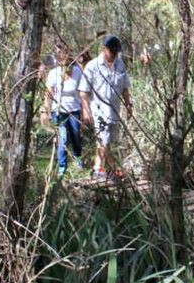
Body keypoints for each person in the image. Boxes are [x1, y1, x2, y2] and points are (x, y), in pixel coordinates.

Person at [79, 35, 133, 180]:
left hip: (114, 110)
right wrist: (85, 110)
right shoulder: (92, 66)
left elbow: (125, 88)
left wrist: (128, 104)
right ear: (104, 49)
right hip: (99, 110)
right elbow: (83, 91)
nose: (114, 55)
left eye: (116, 52)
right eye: (112, 51)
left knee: (107, 141)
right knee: (104, 140)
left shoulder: (120, 64)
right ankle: (111, 169)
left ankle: (100, 169)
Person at [41, 43, 84, 176]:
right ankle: (62, 166)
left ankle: (78, 158)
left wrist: (86, 109)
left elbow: (83, 91)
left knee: (76, 135)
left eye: (63, 52)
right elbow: (48, 94)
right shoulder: (53, 74)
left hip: (74, 109)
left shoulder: (78, 71)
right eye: (58, 53)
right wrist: (45, 110)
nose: (61, 56)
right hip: (58, 111)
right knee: (63, 138)